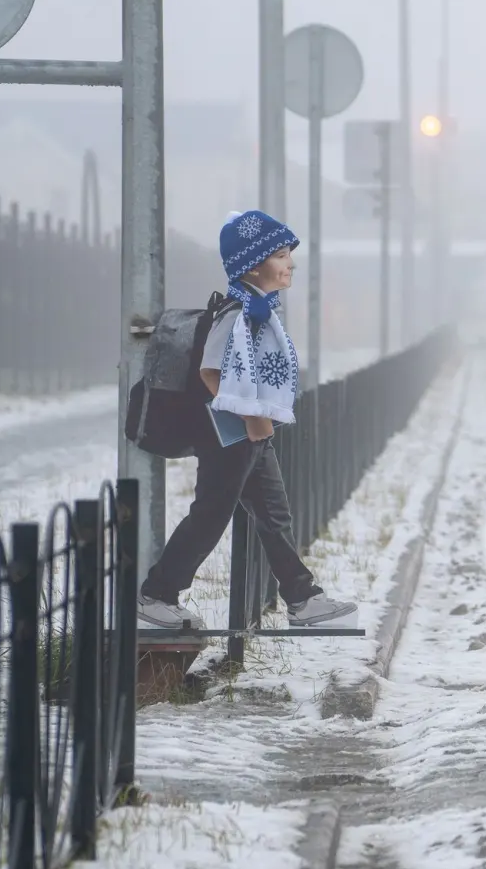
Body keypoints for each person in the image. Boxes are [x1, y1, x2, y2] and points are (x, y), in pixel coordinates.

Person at [137, 209, 356, 629]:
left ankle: (302, 598)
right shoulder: (237, 314)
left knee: (275, 515)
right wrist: (251, 417)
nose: (290, 262)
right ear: (254, 266)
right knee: (211, 514)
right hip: (229, 435)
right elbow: (211, 371)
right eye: (281, 255)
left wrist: (259, 423)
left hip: (251, 435)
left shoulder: (261, 312)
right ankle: (156, 594)